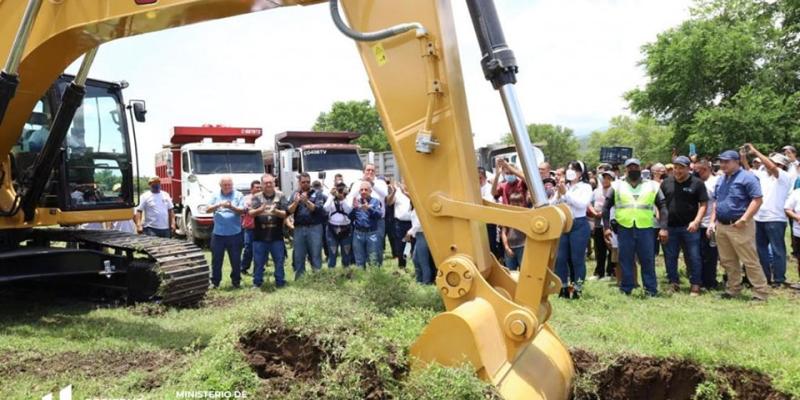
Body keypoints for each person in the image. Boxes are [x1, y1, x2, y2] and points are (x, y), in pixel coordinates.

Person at [708, 149, 770, 301]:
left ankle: (760, 293)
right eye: (721, 161)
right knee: (728, 261)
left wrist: (744, 219)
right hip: (722, 225)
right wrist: (712, 221)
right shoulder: (721, 179)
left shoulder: (748, 177)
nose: (723, 164)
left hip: (740, 225)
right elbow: (717, 202)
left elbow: (757, 199)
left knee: (749, 260)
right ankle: (733, 289)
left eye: (726, 161)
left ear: (737, 161)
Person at [603, 158, 669, 296]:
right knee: (625, 259)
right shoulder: (616, 186)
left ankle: (651, 289)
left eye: (635, 167)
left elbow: (663, 207)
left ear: (640, 168)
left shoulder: (652, 186)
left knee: (647, 259)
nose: (633, 169)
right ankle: (626, 288)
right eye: (630, 167)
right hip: (624, 228)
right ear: (625, 169)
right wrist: (606, 227)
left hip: (645, 228)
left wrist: (663, 228)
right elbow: (606, 207)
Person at [743, 145, 792, 288]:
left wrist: (756, 151)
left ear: (781, 165)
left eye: (775, 163)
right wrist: (743, 156)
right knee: (760, 250)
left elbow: (771, 167)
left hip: (776, 218)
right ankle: (765, 277)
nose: (770, 164)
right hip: (759, 218)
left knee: (777, 250)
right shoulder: (763, 175)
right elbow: (748, 170)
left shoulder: (784, 176)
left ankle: (779, 279)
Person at [661, 156, 708, 295]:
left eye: (681, 168)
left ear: (688, 168)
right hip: (670, 227)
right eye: (676, 167)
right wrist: (662, 222)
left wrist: (696, 221)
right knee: (670, 256)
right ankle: (673, 282)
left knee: (693, 256)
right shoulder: (666, 182)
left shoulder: (697, 183)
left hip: (690, 228)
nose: (678, 170)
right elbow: (660, 203)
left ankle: (695, 284)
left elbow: (704, 204)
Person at [554, 161, 593, 299]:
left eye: (575, 169)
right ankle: (563, 286)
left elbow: (582, 204)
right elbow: (553, 204)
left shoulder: (586, 187)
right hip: (564, 224)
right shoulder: (565, 186)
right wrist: (559, 193)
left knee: (577, 259)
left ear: (581, 172)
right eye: (569, 168)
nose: (571, 171)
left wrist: (567, 194)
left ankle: (578, 288)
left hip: (579, 224)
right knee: (560, 258)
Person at [249, 174, 288, 288]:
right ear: (262, 185)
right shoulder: (256, 197)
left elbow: (286, 213)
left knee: (279, 261)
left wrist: (275, 211)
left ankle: (280, 282)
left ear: (274, 183)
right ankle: (257, 283)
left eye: (271, 182)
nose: (269, 185)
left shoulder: (281, 196)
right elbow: (251, 213)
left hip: (276, 236)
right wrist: (260, 209)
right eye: (266, 183)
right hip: (260, 236)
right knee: (258, 262)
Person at [207, 176, 245, 289]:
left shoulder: (238, 195)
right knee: (216, 260)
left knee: (236, 260)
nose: (228, 187)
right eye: (225, 185)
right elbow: (208, 209)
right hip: (218, 234)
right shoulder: (215, 195)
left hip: (235, 233)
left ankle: (236, 282)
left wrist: (231, 206)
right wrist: (218, 205)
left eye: (230, 185)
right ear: (220, 185)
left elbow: (242, 211)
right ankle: (215, 282)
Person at [288, 172, 326, 278]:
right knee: (299, 255)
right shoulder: (295, 194)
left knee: (316, 254)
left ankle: (317, 277)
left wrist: (306, 201)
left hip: (314, 228)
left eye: (308, 182)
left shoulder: (317, 193)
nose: (306, 184)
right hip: (299, 229)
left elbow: (317, 209)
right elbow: (289, 211)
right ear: (299, 183)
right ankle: (300, 278)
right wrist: (296, 202)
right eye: (303, 182)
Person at [694, 159, 720, 289]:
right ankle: (700, 280)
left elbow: (716, 203)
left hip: (710, 223)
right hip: (697, 224)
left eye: (698, 170)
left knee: (710, 255)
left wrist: (712, 222)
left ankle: (710, 282)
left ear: (705, 169)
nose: (696, 173)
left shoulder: (715, 182)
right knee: (698, 254)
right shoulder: (698, 183)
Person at [360, 164, 389, 264]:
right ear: (364, 171)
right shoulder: (359, 183)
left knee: (377, 246)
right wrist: (363, 182)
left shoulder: (380, 182)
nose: (370, 172)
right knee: (362, 247)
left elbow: (385, 195)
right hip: (362, 220)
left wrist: (371, 183)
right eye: (368, 170)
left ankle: (377, 269)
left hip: (377, 220)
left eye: (372, 170)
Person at [350, 181, 383, 268]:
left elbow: (379, 215)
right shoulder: (356, 202)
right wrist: (353, 208)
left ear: (370, 191)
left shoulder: (375, 201)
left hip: (371, 234)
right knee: (359, 260)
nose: (363, 191)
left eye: (366, 189)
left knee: (373, 260)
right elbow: (350, 218)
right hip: (358, 234)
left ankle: (374, 279)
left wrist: (368, 208)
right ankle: (361, 280)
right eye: (361, 190)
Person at [590, 170, 615, 280]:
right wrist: (594, 212)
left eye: (608, 178)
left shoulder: (614, 191)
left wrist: (604, 213)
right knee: (599, 249)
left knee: (611, 248)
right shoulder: (596, 191)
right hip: (597, 223)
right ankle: (599, 272)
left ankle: (610, 272)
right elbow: (589, 203)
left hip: (610, 223)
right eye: (604, 178)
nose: (605, 180)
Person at [323, 181, 353, 268]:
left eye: (341, 189)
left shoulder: (348, 198)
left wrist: (342, 199)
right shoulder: (331, 198)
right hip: (332, 229)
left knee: (346, 255)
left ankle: (346, 273)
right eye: (338, 189)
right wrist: (331, 196)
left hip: (346, 229)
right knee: (332, 255)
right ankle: (331, 276)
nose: (340, 191)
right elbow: (325, 208)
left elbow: (349, 210)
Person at [387, 180, 414, 268]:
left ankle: (415, 268)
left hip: (413, 223)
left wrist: (406, 193)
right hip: (400, 223)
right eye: (404, 181)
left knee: (412, 245)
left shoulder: (414, 191)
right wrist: (393, 192)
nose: (405, 183)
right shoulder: (397, 192)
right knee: (401, 245)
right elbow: (389, 202)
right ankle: (402, 266)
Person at [407, 207, 435, 284]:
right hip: (418, 235)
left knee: (423, 261)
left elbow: (419, 224)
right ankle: (419, 279)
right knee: (415, 259)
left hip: (422, 234)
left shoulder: (419, 208)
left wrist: (409, 232)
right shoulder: (415, 208)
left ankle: (426, 281)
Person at [501, 192, 527, 270]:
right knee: (510, 272)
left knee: (524, 271)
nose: (515, 204)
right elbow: (503, 232)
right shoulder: (507, 215)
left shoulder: (526, 215)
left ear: (522, 203)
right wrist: (506, 247)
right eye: (513, 202)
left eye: (518, 202)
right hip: (510, 247)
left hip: (523, 247)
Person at [240, 180, 261, 276]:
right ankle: (244, 267)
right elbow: (245, 210)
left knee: (259, 249)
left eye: (260, 187)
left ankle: (259, 269)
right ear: (251, 188)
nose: (259, 189)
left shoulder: (263, 198)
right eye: (257, 187)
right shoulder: (246, 199)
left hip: (261, 228)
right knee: (248, 248)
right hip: (249, 228)